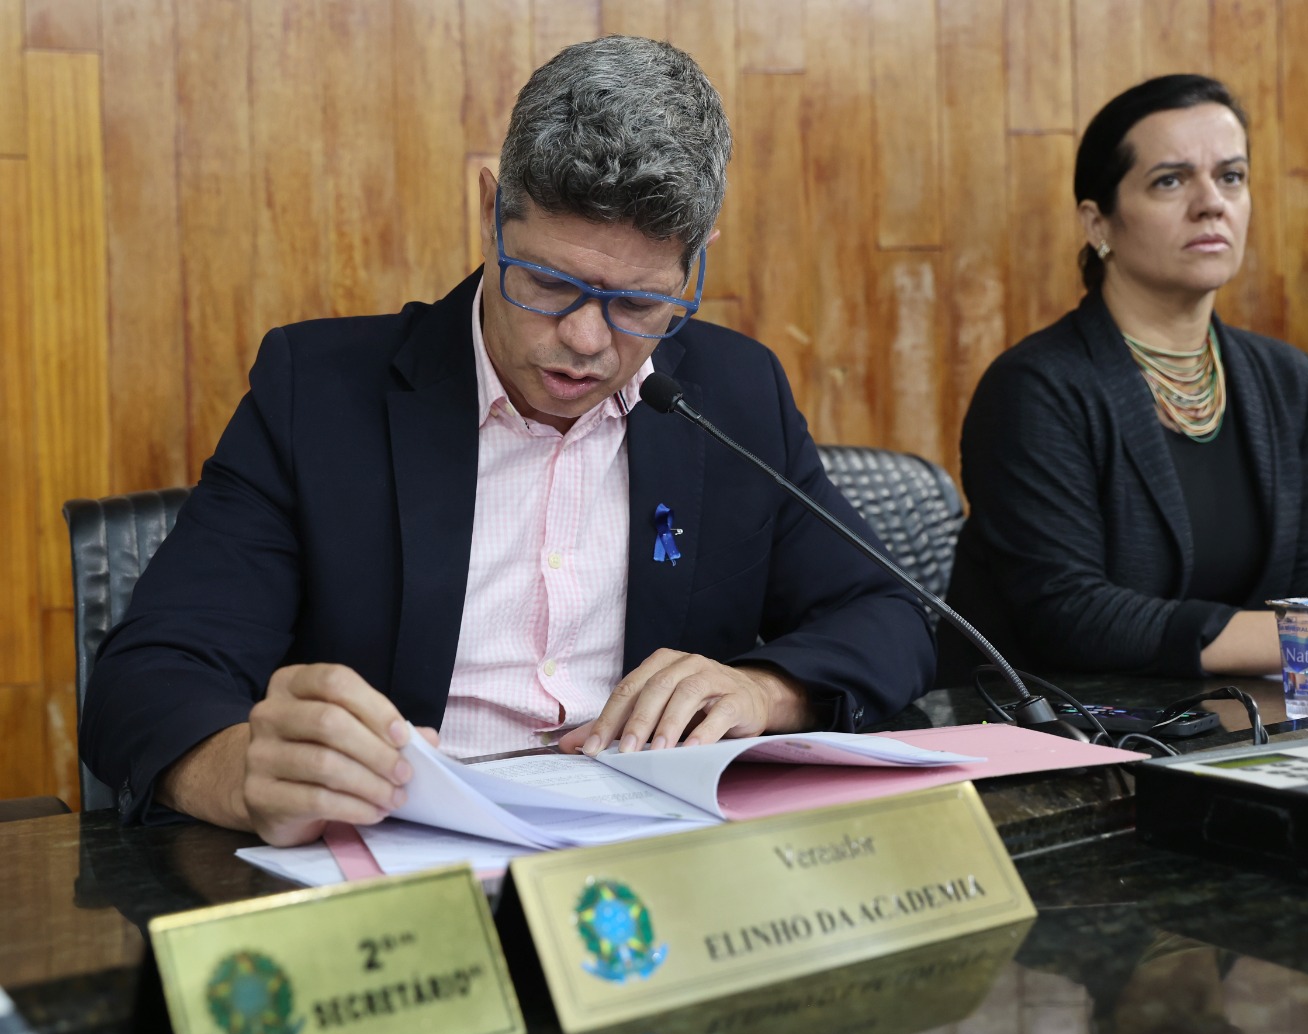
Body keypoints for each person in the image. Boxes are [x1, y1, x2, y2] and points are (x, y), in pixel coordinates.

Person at [80, 36, 934, 846]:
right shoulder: (320, 394)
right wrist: (243, 772)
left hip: (657, 869)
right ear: (491, 211)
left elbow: (890, 616)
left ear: (697, 260)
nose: (587, 341)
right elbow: (145, 677)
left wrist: (763, 691)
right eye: (550, 284)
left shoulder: (736, 394)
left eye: (639, 303)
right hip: (409, 869)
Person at [938, 74, 1308, 687]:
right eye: (1170, 180)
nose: (1211, 202)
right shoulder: (1035, 388)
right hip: (1047, 723)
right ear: (1098, 224)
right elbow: (1070, 613)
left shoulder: (1286, 379)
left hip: (1225, 719)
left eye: (1231, 176)